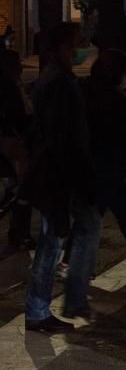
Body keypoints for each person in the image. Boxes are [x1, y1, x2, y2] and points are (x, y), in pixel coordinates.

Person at [21, 23, 99, 331]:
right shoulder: (59, 83)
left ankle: (58, 303)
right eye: (79, 43)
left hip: (57, 174)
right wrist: (77, 176)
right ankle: (37, 311)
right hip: (57, 176)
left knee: (65, 236)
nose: (84, 47)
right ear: (63, 47)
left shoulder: (56, 80)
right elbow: (61, 138)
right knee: (52, 243)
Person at [61, 50, 126, 274]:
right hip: (107, 165)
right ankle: (71, 263)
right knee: (97, 216)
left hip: (92, 163)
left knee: (122, 211)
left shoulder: (85, 90)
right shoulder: (112, 98)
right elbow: (122, 133)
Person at [0, 50, 34, 250]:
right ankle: (21, 232)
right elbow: (18, 116)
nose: (21, 67)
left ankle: (18, 232)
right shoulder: (9, 87)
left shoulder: (13, 85)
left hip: (11, 143)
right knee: (20, 191)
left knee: (16, 190)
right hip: (12, 143)